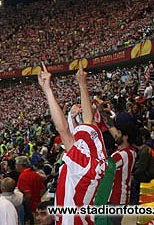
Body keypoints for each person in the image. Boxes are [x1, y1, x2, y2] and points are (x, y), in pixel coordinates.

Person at [39, 63, 106, 225]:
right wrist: (82, 84)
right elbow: (88, 120)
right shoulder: (95, 158)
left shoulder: (83, 165)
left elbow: (63, 130)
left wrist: (47, 89)